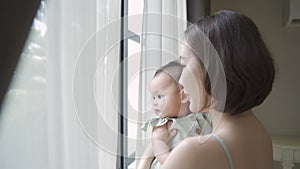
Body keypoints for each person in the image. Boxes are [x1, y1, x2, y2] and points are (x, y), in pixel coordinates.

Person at [159, 10, 276, 169]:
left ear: (213, 68)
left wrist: (147, 156)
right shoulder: (260, 134)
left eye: (185, 65)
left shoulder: (192, 153)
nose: (180, 80)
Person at [138, 61, 212, 169]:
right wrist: (174, 163)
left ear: (183, 95)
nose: (155, 102)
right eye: (153, 97)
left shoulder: (203, 115)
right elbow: (158, 146)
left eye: (159, 96)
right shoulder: (164, 123)